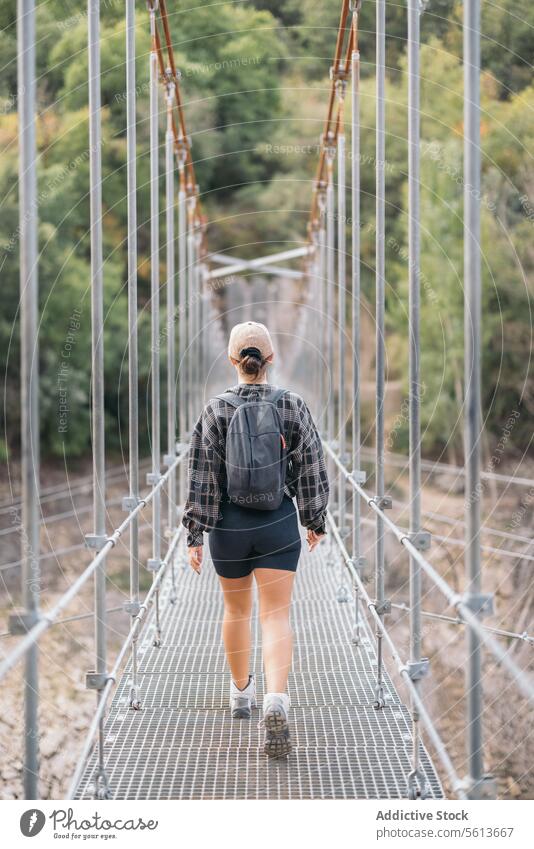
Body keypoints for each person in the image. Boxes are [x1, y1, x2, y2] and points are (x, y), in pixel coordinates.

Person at [182, 320, 329, 757]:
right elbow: (312, 468)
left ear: (232, 360)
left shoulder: (215, 410)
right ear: (271, 359)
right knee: (276, 616)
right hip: (277, 523)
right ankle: (276, 700)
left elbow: (201, 477)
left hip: (227, 528)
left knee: (235, 610)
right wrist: (315, 521)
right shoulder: (293, 405)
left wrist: (194, 531)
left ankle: (241, 694)